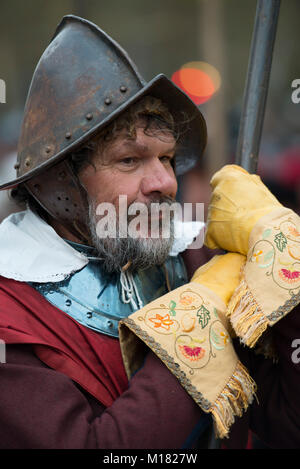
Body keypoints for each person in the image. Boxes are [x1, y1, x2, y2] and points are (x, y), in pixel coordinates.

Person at [0, 15, 299, 450]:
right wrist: (196, 322)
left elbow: (287, 426)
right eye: (129, 160)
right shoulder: (11, 314)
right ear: (58, 183)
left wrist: (283, 258)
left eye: (167, 158)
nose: (164, 182)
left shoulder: (202, 261)